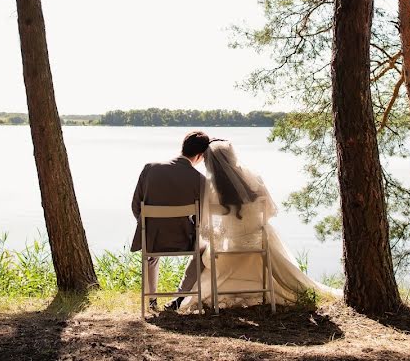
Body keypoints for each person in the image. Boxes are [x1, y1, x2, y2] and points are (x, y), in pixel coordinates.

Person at [181, 138, 341, 310]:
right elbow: (269, 212)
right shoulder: (254, 179)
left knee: (207, 253)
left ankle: (201, 292)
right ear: (233, 157)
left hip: (227, 255)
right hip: (259, 247)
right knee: (266, 235)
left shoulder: (210, 188)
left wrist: (225, 232)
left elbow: (206, 231)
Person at [131, 130, 208, 312]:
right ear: (200, 156)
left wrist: (148, 228)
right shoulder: (200, 180)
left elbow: (136, 206)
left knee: (151, 255)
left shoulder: (150, 168)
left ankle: (151, 301)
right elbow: (202, 219)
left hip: (152, 239)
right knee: (205, 250)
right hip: (184, 242)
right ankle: (179, 298)